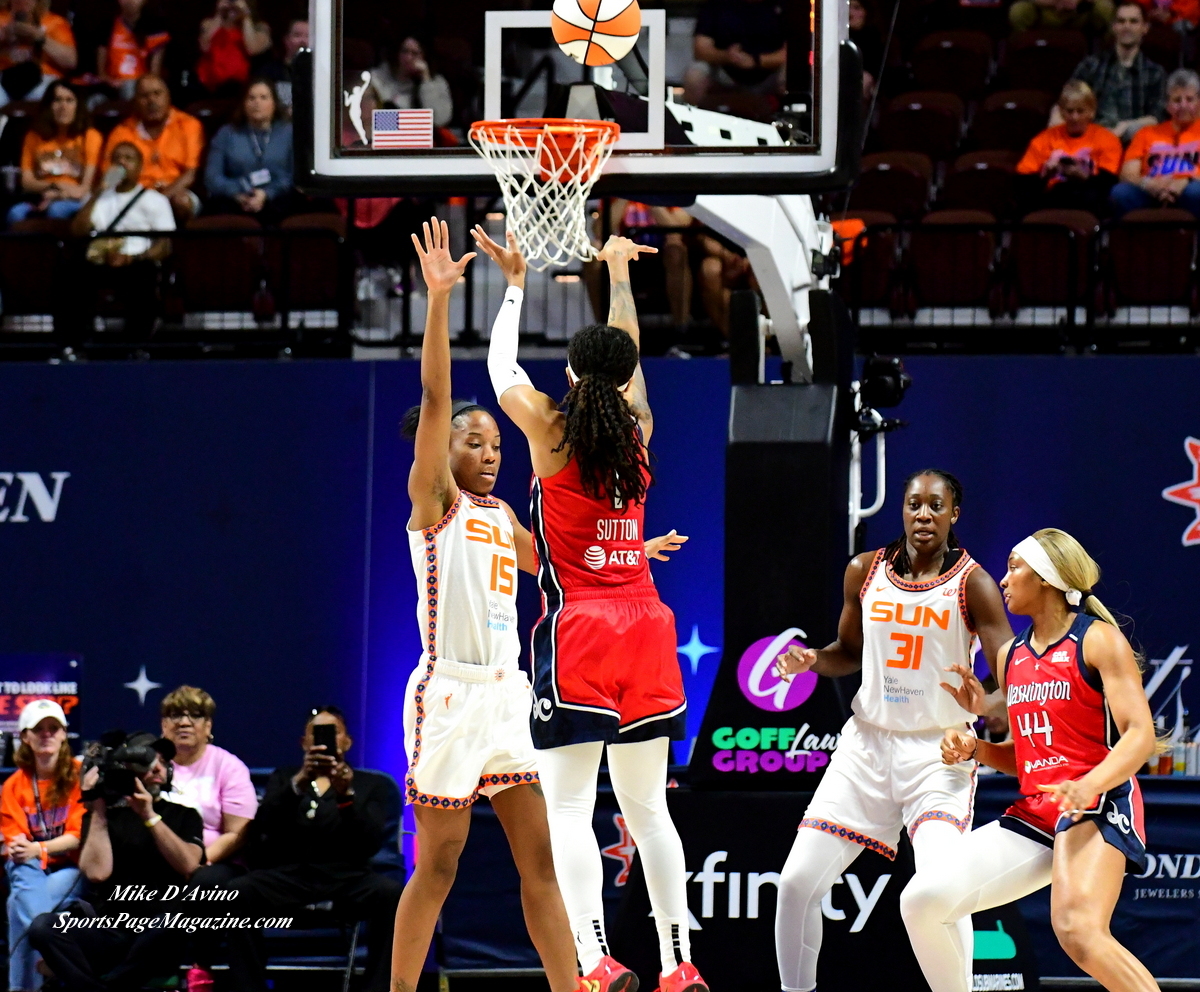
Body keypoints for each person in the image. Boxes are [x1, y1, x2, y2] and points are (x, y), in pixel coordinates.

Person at [473, 224, 708, 992]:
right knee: (651, 813)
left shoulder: (550, 429)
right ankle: (678, 963)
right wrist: (618, 274)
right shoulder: (637, 429)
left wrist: (514, 285)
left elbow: (500, 366)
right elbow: (627, 355)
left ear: (572, 372)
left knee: (570, 809)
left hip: (580, 628)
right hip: (647, 624)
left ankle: (596, 957)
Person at [389, 217, 579, 992]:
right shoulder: (433, 500)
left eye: (497, 445)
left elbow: (559, 564)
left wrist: (630, 552)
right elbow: (437, 394)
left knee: (541, 863)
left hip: (506, 698)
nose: (491, 453)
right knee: (439, 864)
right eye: (476, 443)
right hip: (448, 695)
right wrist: (440, 299)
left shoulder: (502, 514)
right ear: (443, 451)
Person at [772, 469, 1014, 992]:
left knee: (940, 889)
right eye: (914, 504)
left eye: (935, 506)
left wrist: (987, 704)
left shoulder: (974, 584)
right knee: (795, 885)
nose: (923, 514)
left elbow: (1012, 679)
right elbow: (848, 653)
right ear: (902, 509)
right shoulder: (864, 570)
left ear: (954, 514)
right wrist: (812, 660)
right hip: (866, 746)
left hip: (938, 753)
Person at [902, 529, 1158, 992]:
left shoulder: (1098, 640)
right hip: (1038, 810)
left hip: (1096, 802)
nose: (1003, 579)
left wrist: (1089, 783)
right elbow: (1027, 762)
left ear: (1046, 578)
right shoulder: (1011, 656)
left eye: (1014, 567)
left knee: (1079, 932)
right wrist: (975, 748)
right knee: (923, 900)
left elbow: (1140, 736)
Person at [220, 707, 403, 992]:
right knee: (239, 892)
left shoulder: (372, 785)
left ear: (347, 742)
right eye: (316, 733)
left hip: (347, 877)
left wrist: (346, 796)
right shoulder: (286, 778)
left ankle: (378, 988)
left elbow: (369, 842)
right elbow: (261, 829)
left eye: (333, 732)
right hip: (290, 876)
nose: (324, 740)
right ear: (304, 743)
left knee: (392, 895)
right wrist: (298, 784)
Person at [27, 733, 205, 992]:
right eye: (148, 760)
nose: (158, 767)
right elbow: (97, 873)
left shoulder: (184, 815)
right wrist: (98, 809)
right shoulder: (104, 817)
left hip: (161, 931)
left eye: (164, 761)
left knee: (174, 923)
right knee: (43, 927)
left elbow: (189, 865)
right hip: (111, 929)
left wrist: (149, 816)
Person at [2, 700, 84, 992]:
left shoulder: (79, 774)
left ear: (63, 734)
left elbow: (78, 836)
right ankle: (52, 951)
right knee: (20, 867)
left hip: (72, 867)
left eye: (53, 728)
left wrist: (39, 849)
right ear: (26, 736)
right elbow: (17, 845)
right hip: (32, 870)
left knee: (16, 905)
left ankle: (22, 987)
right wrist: (31, 852)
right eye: (38, 729)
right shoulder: (14, 785)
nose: (47, 734)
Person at [71, 141, 175, 336]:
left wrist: (132, 258)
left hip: (137, 261)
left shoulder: (155, 200)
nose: (122, 162)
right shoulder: (99, 198)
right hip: (102, 260)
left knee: (144, 277)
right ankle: (73, 341)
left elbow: (165, 244)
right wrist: (99, 191)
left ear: (140, 166)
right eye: (117, 159)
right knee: (71, 272)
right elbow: (78, 231)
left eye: (129, 158)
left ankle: (136, 343)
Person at [102, 74, 205, 222]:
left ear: (168, 96)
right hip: (133, 194)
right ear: (135, 101)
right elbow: (110, 176)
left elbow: (190, 174)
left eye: (157, 93)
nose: (152, 101)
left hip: (175, 192)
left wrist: (157, 201)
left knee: (181, 202)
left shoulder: (189, 125)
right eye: (144, 96)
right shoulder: (121, 132)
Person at [1062, 2, 1165, 141]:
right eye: (1121, 21)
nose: (1126, 26)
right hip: (1090, 141)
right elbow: (1066, 101)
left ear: (1145, 28)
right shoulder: (1091, 65)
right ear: (1113, 27)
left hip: (1134, 143)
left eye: (1133, 21)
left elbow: (1156, 118)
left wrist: (1124, 127)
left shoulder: (1155, 73)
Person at [1017, 81, 1123, 214]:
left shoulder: (1107, 139)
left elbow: (1109, 183)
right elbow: (1022, 184)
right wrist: (1045, 174)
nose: (1074, 117)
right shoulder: (1042, 140)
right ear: (1061, 112)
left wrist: (1084, 177)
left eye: (1080, 111)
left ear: (1091, 111)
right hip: (1052, 197)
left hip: (1089, 198)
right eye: (1070, 111)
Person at [7, 81, 101, 226]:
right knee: (15, 213)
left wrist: (60, 194)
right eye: (57, 100)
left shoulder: (90, 136)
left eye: (69, 100)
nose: (63, 106)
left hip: (76, 200)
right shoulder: (34, 136)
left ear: (78, 106)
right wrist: (56, 185)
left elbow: (84, 189)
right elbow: (27, 182)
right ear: (49, 106)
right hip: (42, 196)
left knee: (56, 210)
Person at [1110, 68, 1200, 217]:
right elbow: (1127, 173)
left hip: (1189, 194)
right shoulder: (1146, 133)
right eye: (1177, 100)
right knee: (1120, 193)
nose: (1183, 105)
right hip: (1150, 193)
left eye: (1189, 99)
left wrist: (1187, 181)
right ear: (1167, 105)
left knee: (1195, 191)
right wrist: (1150, 184)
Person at [204, 77, 294, 222]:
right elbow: (212, 177)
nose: (257, 102)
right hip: (234, 200)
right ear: (244, 103)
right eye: (251, 98)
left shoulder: (289, 133)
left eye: (263, 97)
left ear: (274, 103)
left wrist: (266, 194)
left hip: (278, 200)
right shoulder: (226, 133)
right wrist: (237, 194)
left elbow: (293, 175)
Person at [683, 0, 788, 107]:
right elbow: (700, 50)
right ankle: (695, 113)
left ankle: (791, 113)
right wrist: (727, 56)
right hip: (725, 73)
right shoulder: (716, 5)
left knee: (792, 72)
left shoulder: (783, 6)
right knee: (695, 75)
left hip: (769, 74)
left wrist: (756, 60)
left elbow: (791, 52)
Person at [0, 0, 76, 105]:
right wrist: (4, 38)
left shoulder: (54, 22)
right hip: (4, 78)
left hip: (44, 78)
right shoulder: (2, 19)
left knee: (55, 95)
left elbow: (71, 62)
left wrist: (38, 37)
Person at [370, 36, 453, 129]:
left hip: (423, 136)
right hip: (383, 135)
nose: (408, 58)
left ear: (424, 56)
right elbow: (369, 118)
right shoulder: (377, 78)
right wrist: (415, 121)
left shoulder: (437, 82)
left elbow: (440, 120)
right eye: (404, 51)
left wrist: (426, 81)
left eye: (415, 53)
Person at [96, 0, 170, 101]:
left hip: (141, 86)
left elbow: (154, 74)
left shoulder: (155, 29)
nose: (130, 1)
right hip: (112, 86)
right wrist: (110, 81)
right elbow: (101, 74)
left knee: (130, 88)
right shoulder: (107, 26)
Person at [196, 0, 270, 98]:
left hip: (241, 87)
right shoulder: (209, 23)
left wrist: (246, 17)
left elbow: (252, 49)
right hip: (209, 84)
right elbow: (204, 46)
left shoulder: (259, 27)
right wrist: (219, 14)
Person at [259, 17, 307, 110]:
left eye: (307, 36)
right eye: (297, 35)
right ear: (286, 40)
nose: (303, 41)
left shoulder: (319, 73)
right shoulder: (269, 72)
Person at [1009, 0, 1115, 34]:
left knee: (1105, 7)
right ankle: (1022, 55)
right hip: (1043, 14)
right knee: (1018, 10)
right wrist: (1056, 2)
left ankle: (1112, 62)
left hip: (1080, 13)